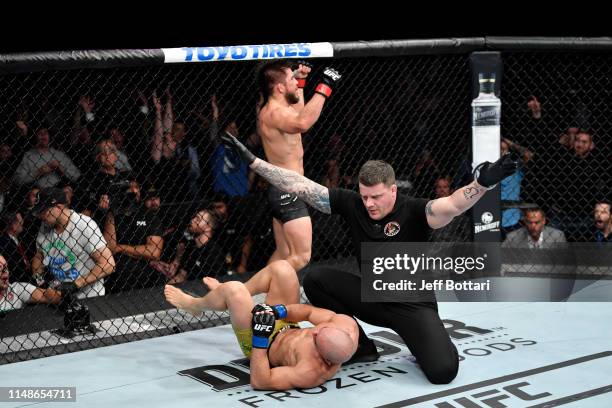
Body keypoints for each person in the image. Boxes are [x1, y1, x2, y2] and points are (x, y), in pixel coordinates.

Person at [220, 132, 519, 384]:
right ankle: (361, 346)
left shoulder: (414, 210)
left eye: (376, 197)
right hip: (373, 297)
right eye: (365, 196)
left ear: (392, 190)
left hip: (412, 306)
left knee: (442, 372)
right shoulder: (353, 205)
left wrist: (483, 182)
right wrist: (253, 161)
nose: (369, 204)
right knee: (317, 280)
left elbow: (452, 205)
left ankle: (437, 341)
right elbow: (300, 185)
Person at [164, 260, 358, 390]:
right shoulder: (346, 326)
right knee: (283, 268)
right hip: (287, 324)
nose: (315, 330)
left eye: (316, 335)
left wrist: (260, 337)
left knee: (234, 290)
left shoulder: (310, 372)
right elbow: (307, 312)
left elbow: (260, 381)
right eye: (320, 328)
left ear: (325, 358)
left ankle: (193, 305)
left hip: (262, 344)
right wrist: (278, 311)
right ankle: (225, 297)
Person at [254, 60, 341, 272]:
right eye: (291, 78)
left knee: (284, 253)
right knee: (301, 257)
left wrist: (301, 82)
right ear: (280, 87)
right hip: (288, 188)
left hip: (284, 186)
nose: (294, 80)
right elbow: (303, 123)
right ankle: (245, 293)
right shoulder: (274, 113)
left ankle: (258, 297)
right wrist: (325, 86)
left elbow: (297, 116)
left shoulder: (278, 109)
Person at [30, 187, 116, 299]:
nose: (41, 216)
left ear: (59, 207)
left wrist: (76, 284)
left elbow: (109, 264)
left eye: (44, 212)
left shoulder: (84, 224)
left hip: (89, 297)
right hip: (59, 298)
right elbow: (39, 256)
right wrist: (40, 281)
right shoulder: (45, 226)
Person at [502, 208, 566, 249]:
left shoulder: (557, 236)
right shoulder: (512, 237)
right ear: (525, 221)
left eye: (537, 222)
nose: (533, 226)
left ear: (544, 221)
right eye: (530, 222)